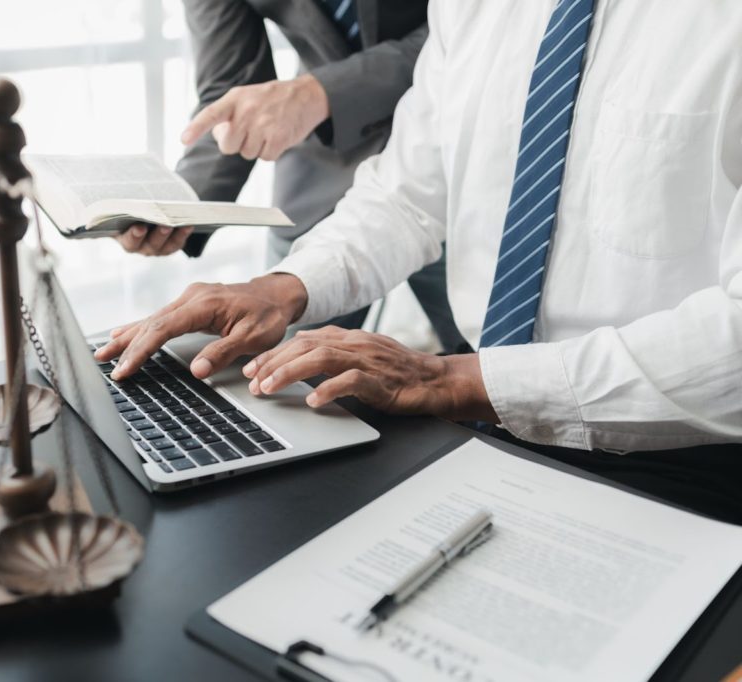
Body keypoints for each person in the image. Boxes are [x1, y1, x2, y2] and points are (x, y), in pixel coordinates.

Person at [97, 0, 742, 460]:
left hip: (679, 458)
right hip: (487, 431)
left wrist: (450, 381)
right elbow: (407, 195)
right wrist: (285, 285)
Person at [114, 0, 466, 350]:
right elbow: (232, 86)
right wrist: (181, 206)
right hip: (321, 158)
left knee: (483, 352)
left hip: (455, 147)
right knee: (280, 362)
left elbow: (470, 30)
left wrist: (322, 93)